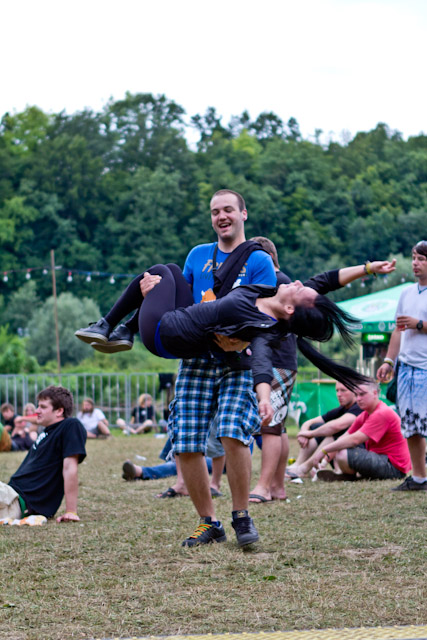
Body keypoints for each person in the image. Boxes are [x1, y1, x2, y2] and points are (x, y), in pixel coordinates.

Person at [77, 188, 278, 548]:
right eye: (215, 211)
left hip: (235, 360)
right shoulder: (198, 255)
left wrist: (241, 339)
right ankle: (209, 523)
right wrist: (149, 291)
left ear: (243, 214)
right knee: (185, 440)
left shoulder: (259, 261)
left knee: (233, 432)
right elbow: (178, 305)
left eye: (228, 209)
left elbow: (265, 313)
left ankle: (241, 515)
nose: (222, 216)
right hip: (196, 358)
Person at [248, 236, 297, 503]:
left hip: (276, 359)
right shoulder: (282, 280)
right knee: (278, 426)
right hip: (284, 359)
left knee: (269, 427)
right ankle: (278, 487)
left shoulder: (273, 282)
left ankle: (264, 487)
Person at [377, 240, 427, 491]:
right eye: (414, 258)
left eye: (421, 259)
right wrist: (389, 361)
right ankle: (419, 478)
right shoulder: (406, 292)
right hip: (406, 367)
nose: (415, 263)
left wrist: (419, 323)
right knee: (410, 423)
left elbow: (412, 324)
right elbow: (398, 331)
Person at [2, 386, 87, 522]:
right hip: (9, 496)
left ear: (59, 411)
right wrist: (24, 418)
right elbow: (37, 419)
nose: (37, 410)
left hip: (18, 501)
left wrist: (71, 511)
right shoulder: (47, 431)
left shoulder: (70, 425)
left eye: (42, 407)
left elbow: (70, 467)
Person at [309, 381, 411, 482]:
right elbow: (344, 437)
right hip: (382, 460)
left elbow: (354, 440)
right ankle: (344, 475)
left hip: (394, 469)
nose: (358, 399)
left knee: (343, 453)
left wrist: (323, 450)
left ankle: (347, 476)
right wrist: (323, 463)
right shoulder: (365, 414)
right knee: (340, 447)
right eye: (356, 395)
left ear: (375, 393)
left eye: (362, 394)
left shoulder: (381, 413)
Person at [285, 382, 362, 479]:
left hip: (357, 455)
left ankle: (304, 468)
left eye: (343, 390)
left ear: (354, 392)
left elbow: (337, 426)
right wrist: (304, 432)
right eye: (337, 391)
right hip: (344, 456)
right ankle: (298, 465)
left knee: (334, 432)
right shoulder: (342, 409)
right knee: (317, 427)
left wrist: (310, 433)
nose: (338, 394)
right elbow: (311, 422)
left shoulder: (359, 408)